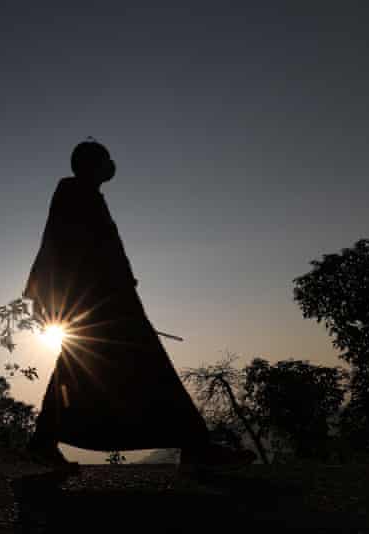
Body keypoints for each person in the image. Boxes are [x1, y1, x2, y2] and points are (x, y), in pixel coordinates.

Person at [23, 139, 255, 470]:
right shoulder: (75, 196)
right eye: (105, 160)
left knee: (77, 366)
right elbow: (64, 251)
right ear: (93, 164)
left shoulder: (83, 197)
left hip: (105, 301)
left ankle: (43, 441)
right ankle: (196, 446)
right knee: (144, 366)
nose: (111, 165)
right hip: (102, 303)